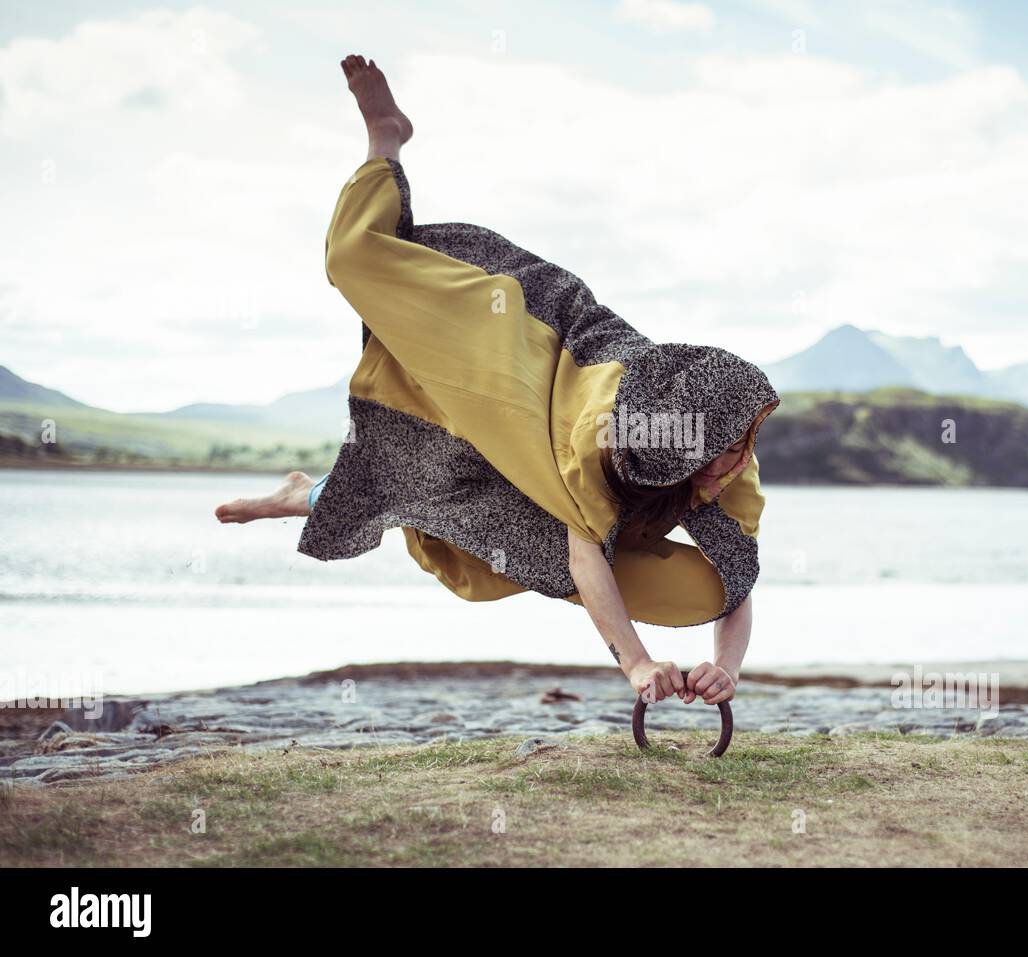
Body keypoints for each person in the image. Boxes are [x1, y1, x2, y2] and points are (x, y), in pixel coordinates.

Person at [216, 55, 780, 708]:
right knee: (353, 262)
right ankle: (386, 141)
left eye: (737, 450)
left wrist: (726, 668)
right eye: (716, 460)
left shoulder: (727, 447)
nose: (729, 470)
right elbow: (585, 556)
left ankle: (305, 492)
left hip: (551, 480)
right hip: (510, 366)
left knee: (710, 586)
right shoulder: (600, 443)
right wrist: (635, 662)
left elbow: (740, 580)